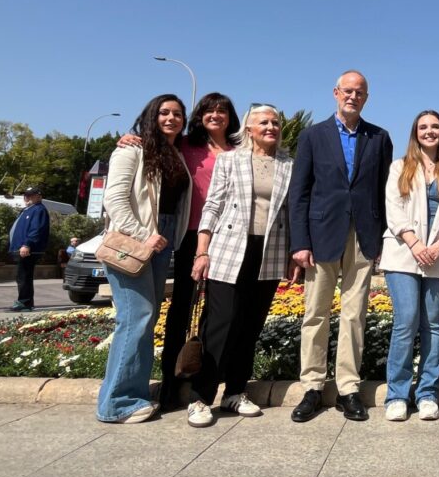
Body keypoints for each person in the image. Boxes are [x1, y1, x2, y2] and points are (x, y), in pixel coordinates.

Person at [118, 92, 241, 409]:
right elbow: (155, 144)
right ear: (198, 116)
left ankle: (206, 379)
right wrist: (130, 138)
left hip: (228, 241)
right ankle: (171, 384)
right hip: (188, 236)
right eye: (209, 110)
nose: (216, 115)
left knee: (217, 314)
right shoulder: (185, 145)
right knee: (181, 310)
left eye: (222, 111)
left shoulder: (239, 150)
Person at [289, 70, 393, 423]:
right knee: (315, 313)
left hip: (363, 238)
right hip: (320, 238)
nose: (353, 96)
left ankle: (348, 388)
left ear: (366, 96)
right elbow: (299, 194)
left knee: (354, 315)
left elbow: (384, 193)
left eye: (359, 92)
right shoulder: (313, 136)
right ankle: (313, 386)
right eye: (347, 91)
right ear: (336, 93)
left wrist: (381, 239)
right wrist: (299, 242)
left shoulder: (379, 138)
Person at [186, 104, 296, 427]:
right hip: (229, 249)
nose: (271, 127)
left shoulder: (289, 165)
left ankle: (235, 392)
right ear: (249, 128)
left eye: (275, 122)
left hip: (269, 250)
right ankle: (200, 398)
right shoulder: (230, 160)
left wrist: (293, 254)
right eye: (264, 122)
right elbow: (213, 205)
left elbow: (291, 213)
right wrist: (201, 251)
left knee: (250, 325)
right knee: (221, 322)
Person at [97, 94, 191, 424]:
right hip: (134, 240)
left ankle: (123, 393)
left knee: (145, 318)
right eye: (164, 112)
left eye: (178, 114)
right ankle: (118, 404)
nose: (171, 118)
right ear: (152, 116)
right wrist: (143, 234)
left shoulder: (176, 153)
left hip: (161, 240)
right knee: (136, 316)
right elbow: (115, 199)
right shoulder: (131, 149)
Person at [380, 110, 439, 421]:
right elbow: (394, 208)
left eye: (435, 127)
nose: (429, 132)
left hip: (438, 256)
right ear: (415, 133)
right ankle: (397, 395)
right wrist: (416, 244)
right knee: (405, 322)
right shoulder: (399, 167)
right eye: (423, 127)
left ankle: (427, 393)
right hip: (404, 254)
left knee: (433, 324)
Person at [8, 186, 50, 312]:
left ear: (39, 196)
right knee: (22, 276)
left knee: (24, 276)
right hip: (21, 248)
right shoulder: (28, 210)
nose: (27, 197)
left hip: (28, 249)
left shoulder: (38, 210)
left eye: (30, 195)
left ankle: (25, 302)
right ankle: (25, 301)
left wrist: (27, 244)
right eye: (26, 195)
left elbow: (36, 229)